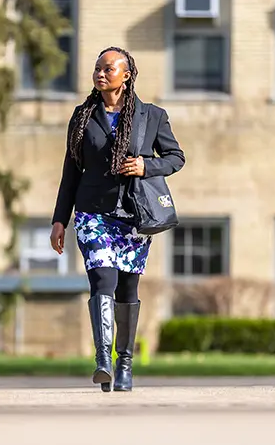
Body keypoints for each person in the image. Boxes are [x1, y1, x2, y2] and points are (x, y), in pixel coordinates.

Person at [49, 46, 186, 392]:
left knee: (127, 288)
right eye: (97, 68)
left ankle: (124, 362)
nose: (100, 73)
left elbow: (175, 157)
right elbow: (70, 172)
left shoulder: (151, 116)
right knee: (102, 281)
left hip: (133, 216)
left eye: (108, 68)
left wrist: (145, 165)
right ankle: (103, 360)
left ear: (126, 76)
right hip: (92, 213)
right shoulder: (82, 116)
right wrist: (60, 220)